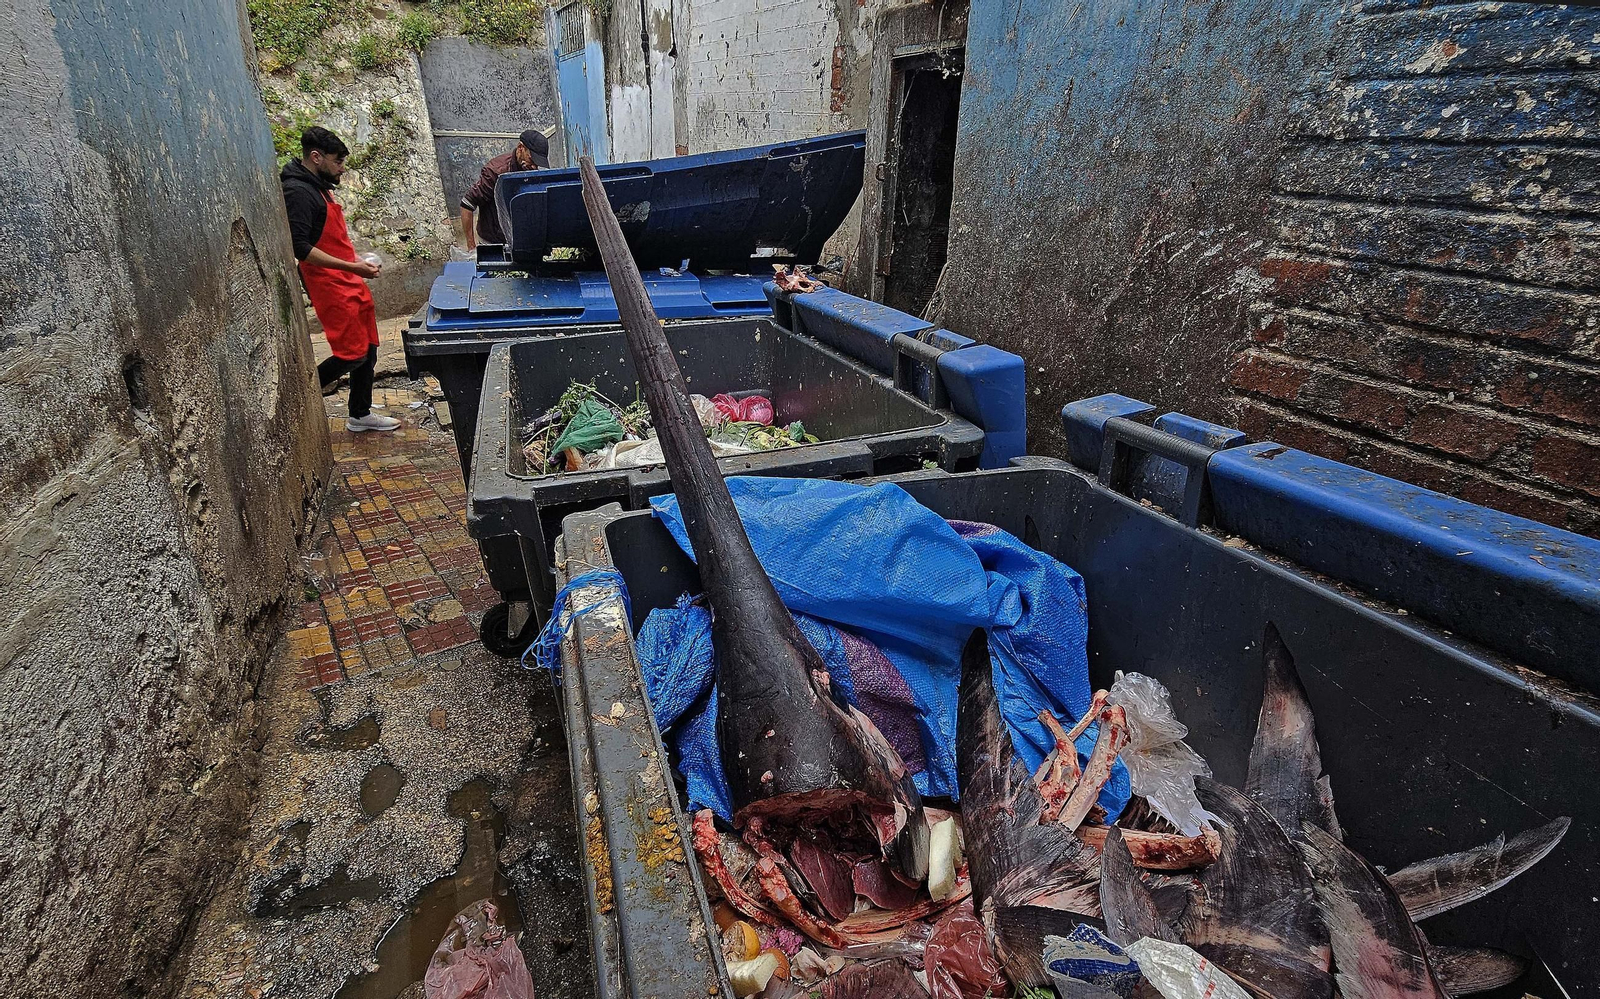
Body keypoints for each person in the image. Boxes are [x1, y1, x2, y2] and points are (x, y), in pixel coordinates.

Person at [281, 126, 399, 432]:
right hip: (329, 283)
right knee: (353, 354)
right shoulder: (297, 191)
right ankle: (302, 397)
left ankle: (359, 414)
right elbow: (301, 248)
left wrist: (356, 263)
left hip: (348, 276)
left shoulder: (319, 185)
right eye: (337, 162)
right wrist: (353, 268)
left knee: (370, 348)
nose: (342, 169)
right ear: (316, 157)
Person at [459, 128, 550, 250]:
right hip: (493, 241)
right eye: (532, 160)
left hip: (519, 240)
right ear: (520, 148)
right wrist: (471, 247)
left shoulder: (531, 171)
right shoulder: (496, 171)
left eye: (537, 163)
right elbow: (467, 204)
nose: (534, 166)